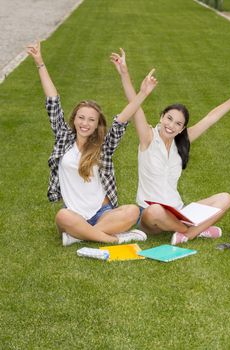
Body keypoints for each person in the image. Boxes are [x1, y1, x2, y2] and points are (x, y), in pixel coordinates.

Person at [111, 48, 230, 245]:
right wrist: (124, 73)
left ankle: (188, 233)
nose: (171, 125)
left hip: (179, 212)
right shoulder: (148, 137)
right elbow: (134, 105)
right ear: (162, 117)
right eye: (169, 118)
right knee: (155, 209)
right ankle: (194, 230)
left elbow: (211, 118)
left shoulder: (182, 141)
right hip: (150, 216)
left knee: (225, 198)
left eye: (178, 123)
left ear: (182, 129)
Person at [27, 42, 158, 246]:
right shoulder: (63, 137)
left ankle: (79, 235)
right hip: (74, 216)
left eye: (91, 120)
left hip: (103, 213)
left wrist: (142, 93)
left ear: (98, 124)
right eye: (81, 117)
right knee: (62, 216)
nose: (85, 123)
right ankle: (112, 239)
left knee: (132, 211)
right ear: (74, 119)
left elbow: (122, 119)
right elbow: (52, 100)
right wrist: (39, 62)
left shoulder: (104, 146)